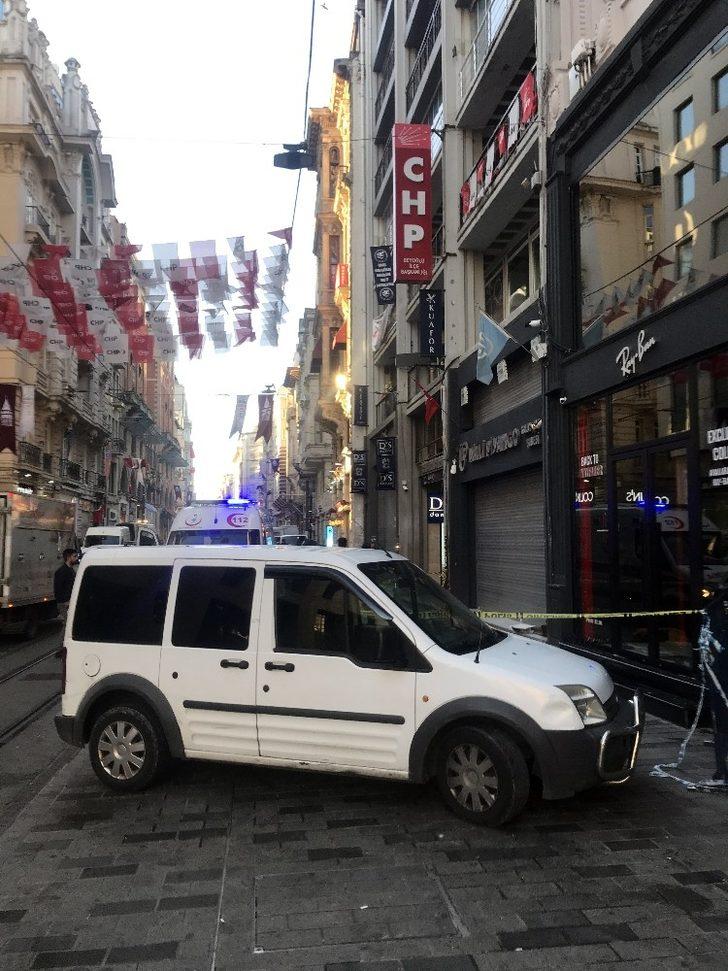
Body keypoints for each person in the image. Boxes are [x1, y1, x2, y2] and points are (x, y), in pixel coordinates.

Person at [54, 548, 79, 625]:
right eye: (74, 556)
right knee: (68, 624)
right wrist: (65, 601)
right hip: (64, 603)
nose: (76, 558)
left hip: (70, 602)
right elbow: (58, 589)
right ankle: (63, 638)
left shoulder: (71, 570)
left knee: (69, 624)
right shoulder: (61, 571)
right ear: (68, 557)